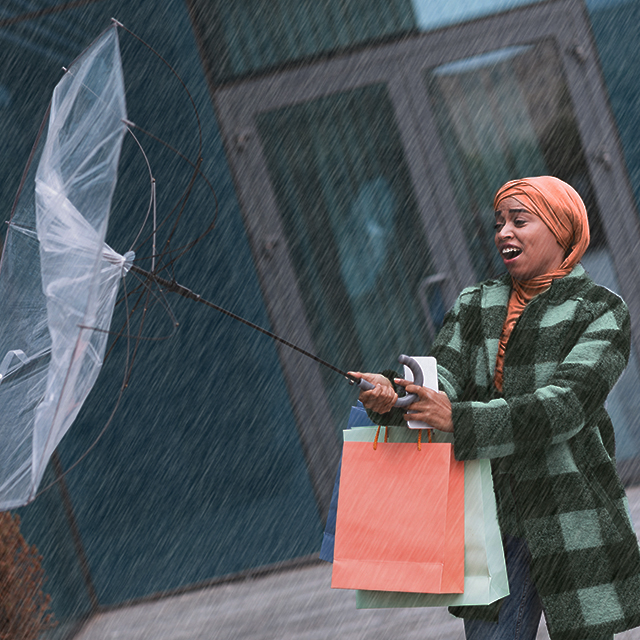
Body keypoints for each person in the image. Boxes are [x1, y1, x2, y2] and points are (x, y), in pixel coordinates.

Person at [351, 176, 640, 640]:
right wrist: (394, 393)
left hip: (569, 508)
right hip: (487, 512)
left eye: (519, 220)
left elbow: (565, 406)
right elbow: (442, 376)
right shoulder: (475, 302)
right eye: (498, 222)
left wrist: (458, 419)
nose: (503, 231)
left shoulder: (599, 309)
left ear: (562, 229)